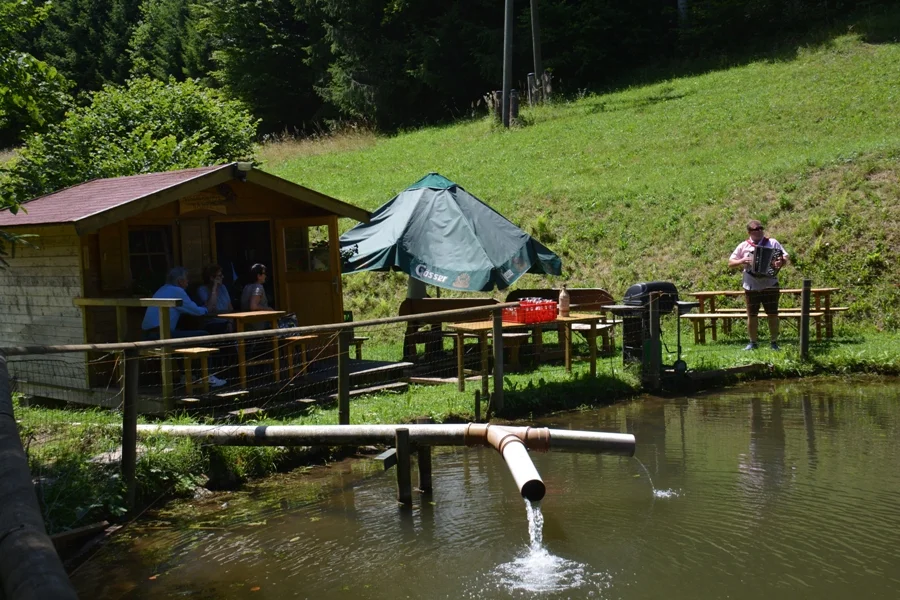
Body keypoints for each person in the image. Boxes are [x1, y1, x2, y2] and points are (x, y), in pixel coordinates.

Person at [142, 266, 227, 387]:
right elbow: (197, 311)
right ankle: (206, 376)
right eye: (187, 279)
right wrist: (206, 309)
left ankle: (186, 376)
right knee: (204, 336)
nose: (188, 282)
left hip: (147, 335)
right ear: (180, 281)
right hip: (160, 335)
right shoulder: (177, 291)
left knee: (184, 337)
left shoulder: (163, 289)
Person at [728, 220, 789, 351]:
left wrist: (780, 262)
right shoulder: (743, 246)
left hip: (770, 283)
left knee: (772, 313)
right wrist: (742, 260)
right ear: (750, 232)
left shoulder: (772, 243)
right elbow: (731, 262)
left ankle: (774, 342)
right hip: (751, 284)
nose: (760, 230)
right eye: (757, 229)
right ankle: (752, 342)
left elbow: (784, 257)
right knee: (752, 314)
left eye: (761, 228)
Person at [195, 264, 234, 335]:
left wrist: (230, 322)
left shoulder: (223, 288)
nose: (223, 277)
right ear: (211, 278)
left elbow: (230, 308)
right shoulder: (202, 289)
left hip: (226, 321)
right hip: (213, 323)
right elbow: (210, 307)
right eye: (219, 275)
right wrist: (214, 288)